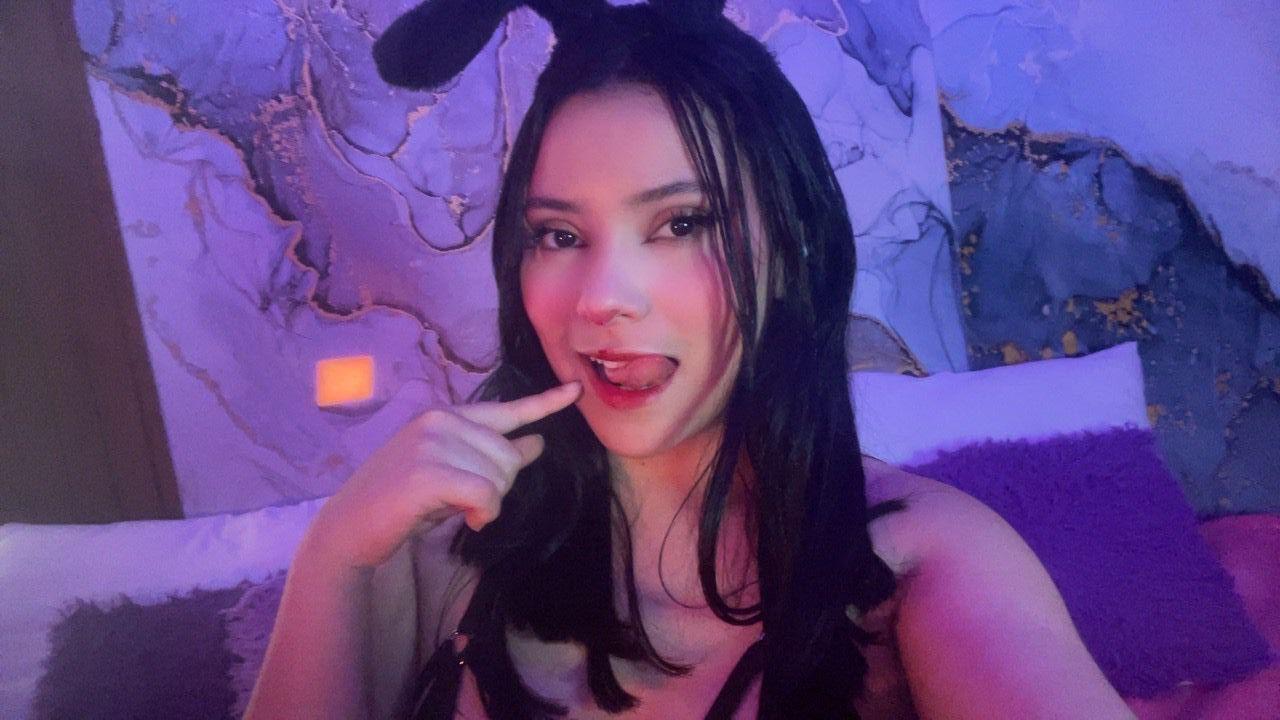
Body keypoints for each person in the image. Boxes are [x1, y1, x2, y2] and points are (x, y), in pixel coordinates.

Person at [246, 1, 1137, 718]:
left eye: (681, 223)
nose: (602, 299)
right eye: (558, 235)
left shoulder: (922, 570)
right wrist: (333, 556)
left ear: (790, 245)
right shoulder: (434, 553)